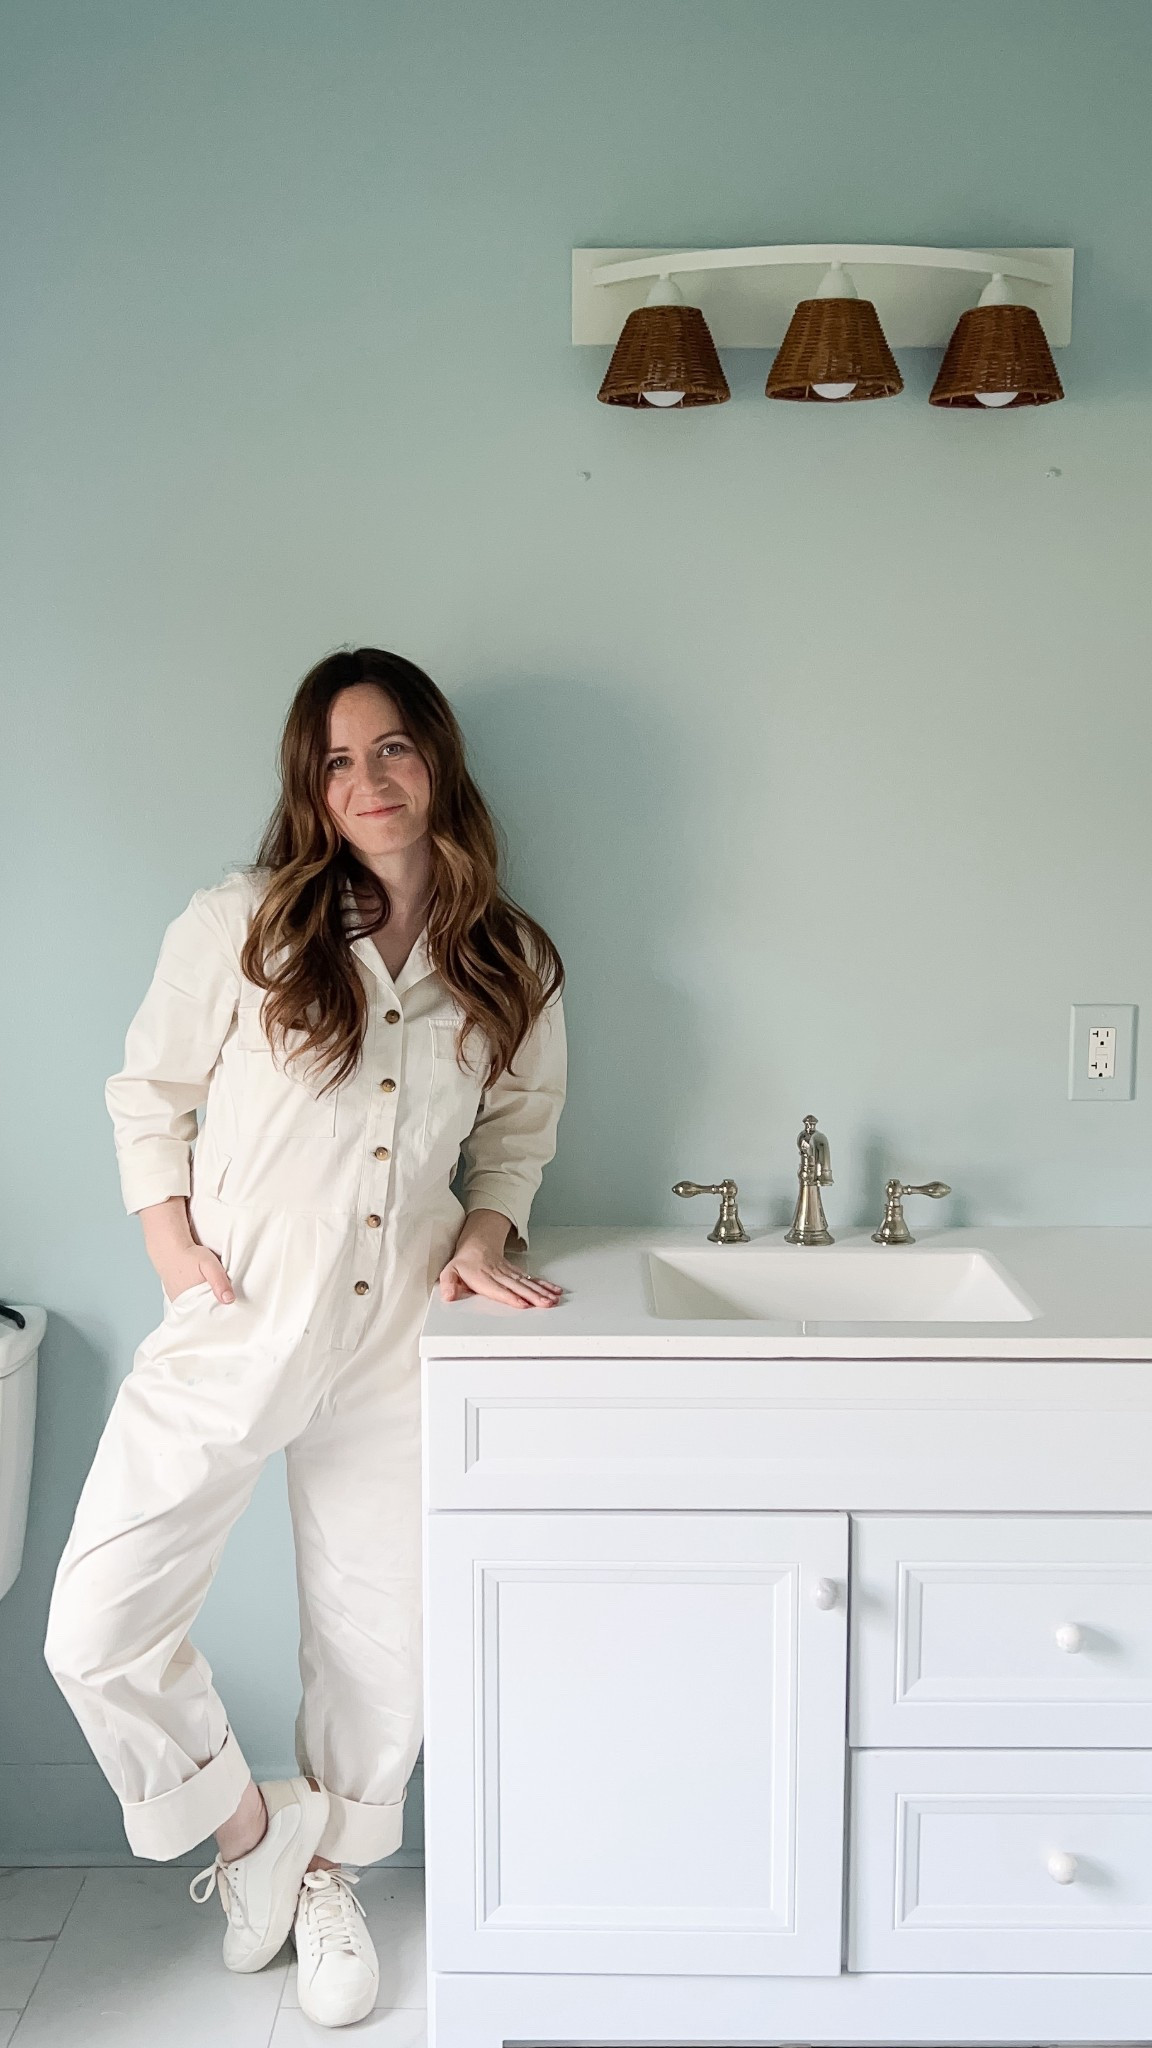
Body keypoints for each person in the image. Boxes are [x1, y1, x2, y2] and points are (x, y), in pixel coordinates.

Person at [44, 647, 566, 2028]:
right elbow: (144, 1096)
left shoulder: (507, 957)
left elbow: (517, 1134)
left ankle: (328, 1877)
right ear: (308, 786)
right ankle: (243, 1835)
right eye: (337, 759)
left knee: (382, 1644)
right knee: (95, 1628)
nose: (368, 780)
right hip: (238, 1321)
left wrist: (482, 1233)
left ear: (437, 759)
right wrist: (179, 1262)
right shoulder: (241, 926)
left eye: (391, 747)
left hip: (399, 1335)